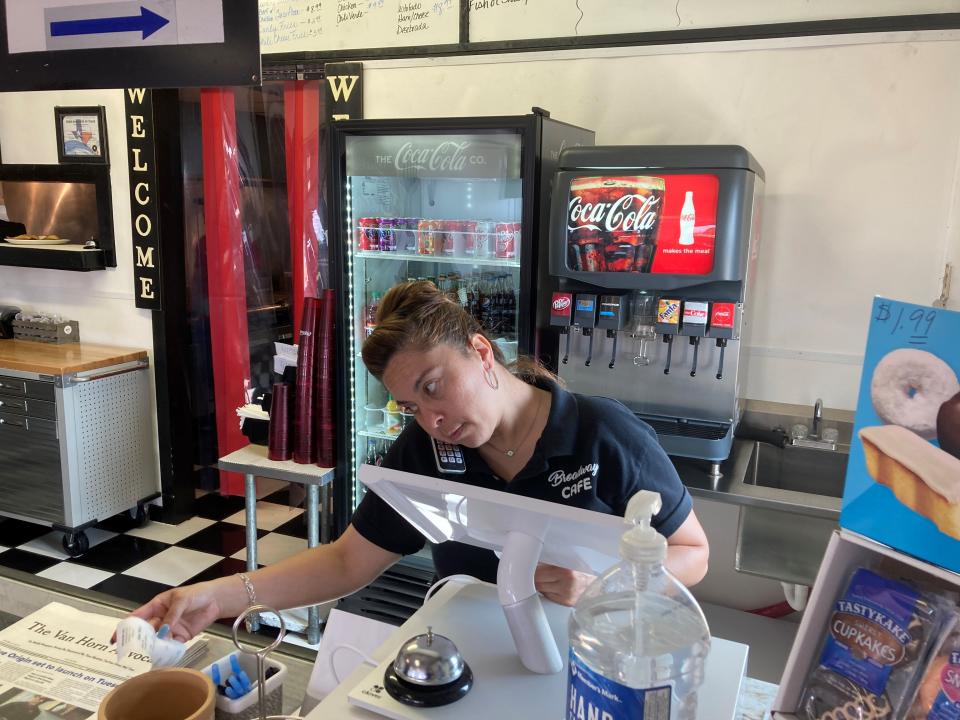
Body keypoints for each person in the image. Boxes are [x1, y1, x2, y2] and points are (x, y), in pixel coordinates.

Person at [128, 281, 708, 642]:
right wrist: (219, 596)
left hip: (590, 657)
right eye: (410, 405)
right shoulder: (427, 451)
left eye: (434, 387)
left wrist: (604, 585)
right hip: (466, 660)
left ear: (481, 353)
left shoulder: (603, 434)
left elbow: (692, 555)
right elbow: (346, 562)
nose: (430, 418)